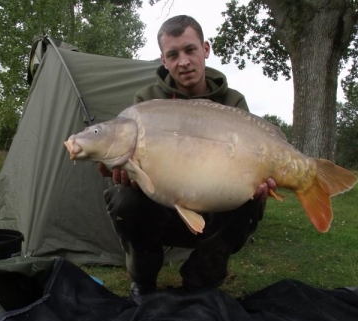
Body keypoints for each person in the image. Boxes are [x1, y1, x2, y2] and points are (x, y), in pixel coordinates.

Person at [100, 15, 277, 296]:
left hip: (215, 208)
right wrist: (127, 173)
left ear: (205, 49)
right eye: (173, 54)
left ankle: (201, 282)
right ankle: (143, 280)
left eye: (190, 50)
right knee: (123, 197)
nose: (183, 62)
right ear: (163, 60)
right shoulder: (146, 101)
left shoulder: (233, 102)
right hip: (162, 208)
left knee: (249, 199)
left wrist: (260, 180)